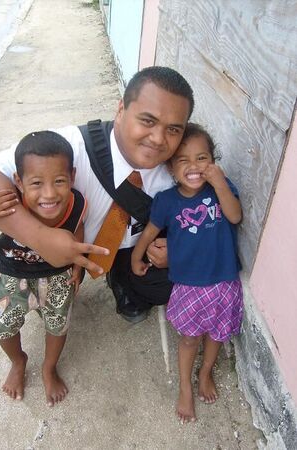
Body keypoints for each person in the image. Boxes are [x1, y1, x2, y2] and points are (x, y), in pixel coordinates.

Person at [0, 66, 194, 323]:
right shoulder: (73, 146)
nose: (159, 138)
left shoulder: (180, 170)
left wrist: (176, 250)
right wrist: (41, 238)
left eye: (173, 129)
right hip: (68, 244)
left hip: (136, 247)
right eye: (147, 121)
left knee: (171, 284)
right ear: (120, 110)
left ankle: (121, 278)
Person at [0, 130, 87, 406]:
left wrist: (78, 264)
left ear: (73, 177)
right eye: (37, 183)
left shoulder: (77, 202)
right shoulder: (8, 203)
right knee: (1, 327)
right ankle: (18, 361)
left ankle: (48, 368)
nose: (49, 194)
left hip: (57, 277)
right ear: (19, 181)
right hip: (8, 275)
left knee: (57, 326)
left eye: (60, 181)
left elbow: (79, 228)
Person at [131, 123, 243, 422]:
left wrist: (219, 183)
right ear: (170, 167)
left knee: (218, 334)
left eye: (201, 158)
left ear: (213, 161)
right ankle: (185, 387)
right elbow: (149, 232)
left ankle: (205, 372)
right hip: (188, 286)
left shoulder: (223, 188)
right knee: (189, 339)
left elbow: (235, 215)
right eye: (183, 160)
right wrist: (136, 258)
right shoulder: (167, 201)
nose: (193, 167)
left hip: (224, 281)